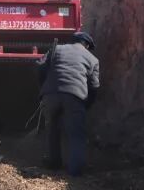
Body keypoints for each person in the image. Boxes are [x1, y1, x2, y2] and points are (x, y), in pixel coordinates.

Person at [37, 32, 101, 176]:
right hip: (75, 96)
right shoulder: (93, 59)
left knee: (52, 130)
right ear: (87, 45)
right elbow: (94, 86)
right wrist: (86, 104)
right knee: (76, 134)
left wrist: (44, 87)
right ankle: (75, 170)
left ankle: (54, 163)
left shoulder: (56, 49)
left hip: (50, 95)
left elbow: (40, 66)